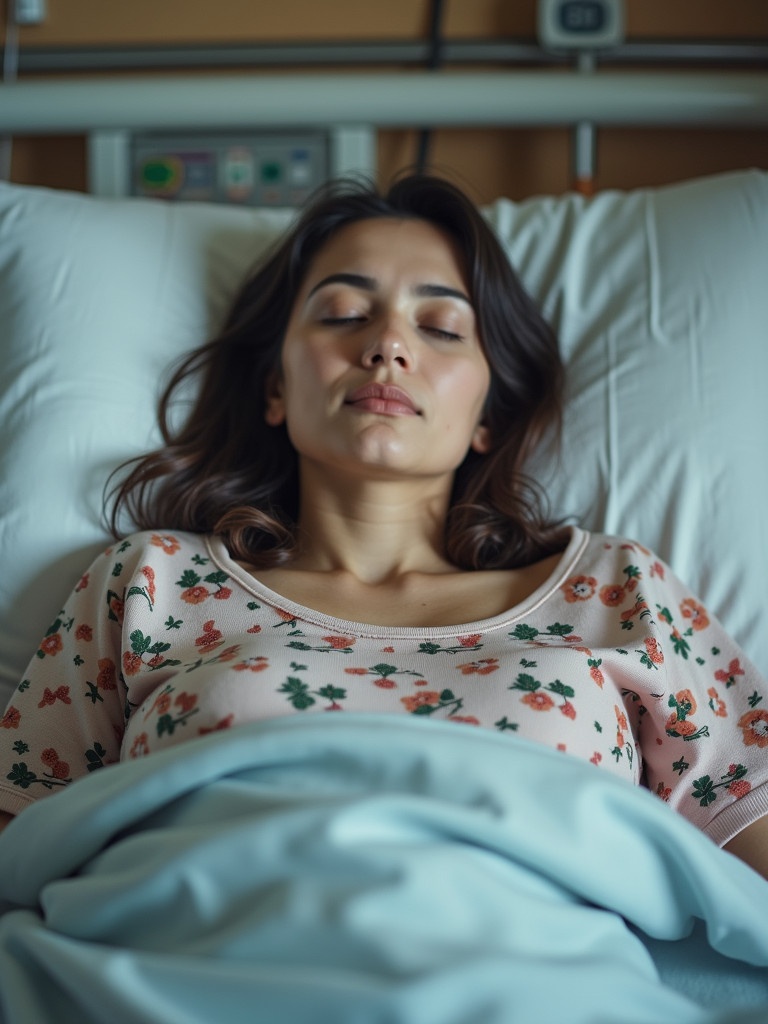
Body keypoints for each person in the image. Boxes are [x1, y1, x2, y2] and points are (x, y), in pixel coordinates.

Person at [0, 175, 766, 879]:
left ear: (488, 418)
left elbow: (748, 822)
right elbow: (20, 828)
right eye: (343, 314)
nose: (387, 346)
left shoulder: (617, 590)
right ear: (275, 387)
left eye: (439, 327)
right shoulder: (152, 583)